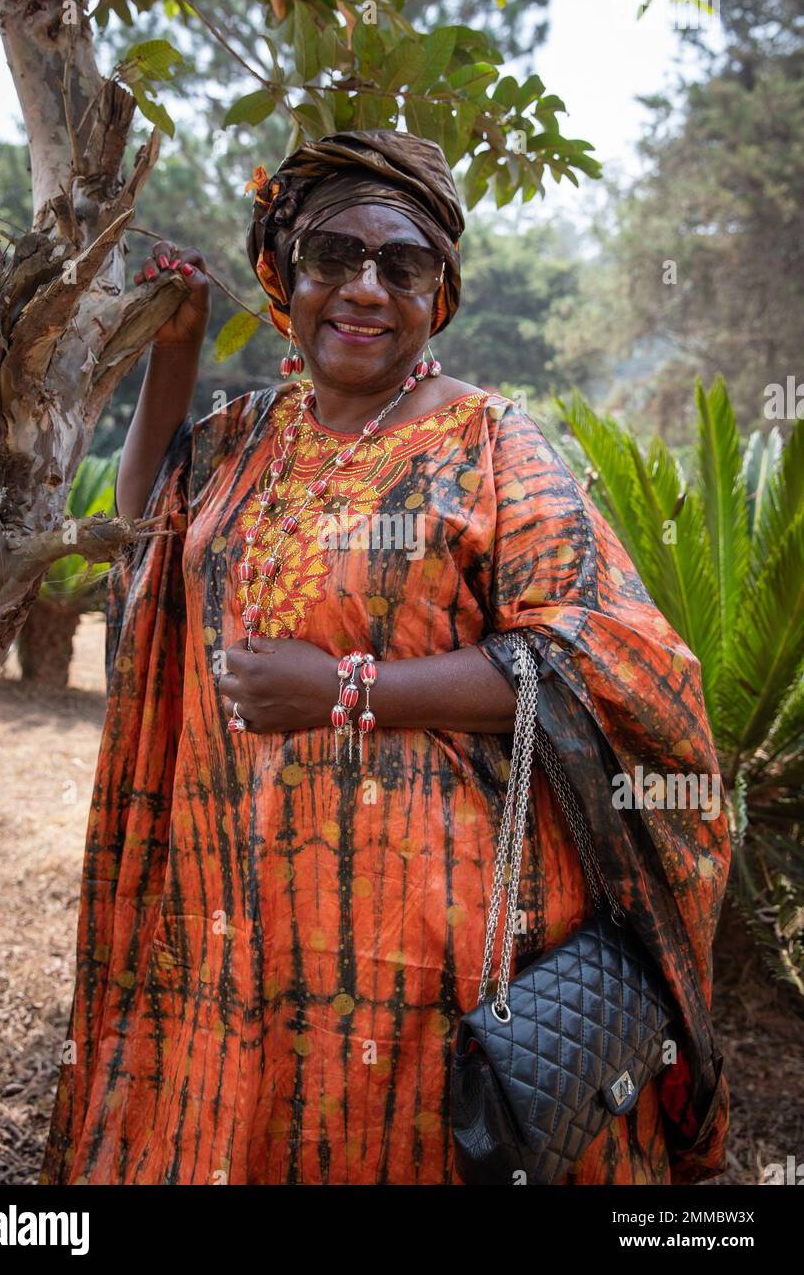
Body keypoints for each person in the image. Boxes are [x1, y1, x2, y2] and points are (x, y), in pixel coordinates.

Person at [41, 130, 730, 1186]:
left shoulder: (494, 445)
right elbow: (146, 541)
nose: (363, 287)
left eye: (399, 264)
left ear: (437, 294)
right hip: (233, 900)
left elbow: (591, 655)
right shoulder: (239, 438)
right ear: (284, 277)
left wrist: (345, 689)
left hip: (429, 930)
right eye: (332, 256)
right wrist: (172, 360)